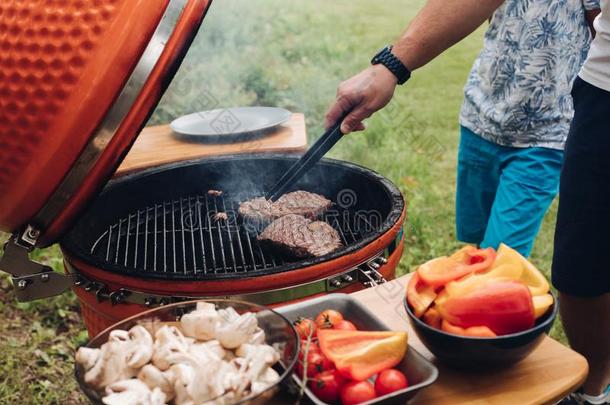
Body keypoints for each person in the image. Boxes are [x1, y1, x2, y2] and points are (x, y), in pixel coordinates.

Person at [324, 0, 608, 402]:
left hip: (545, 136)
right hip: (481, 117)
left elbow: (598, 29)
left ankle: (490, 380)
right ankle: (466, 351)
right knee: (471, 247)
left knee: (500, 258)